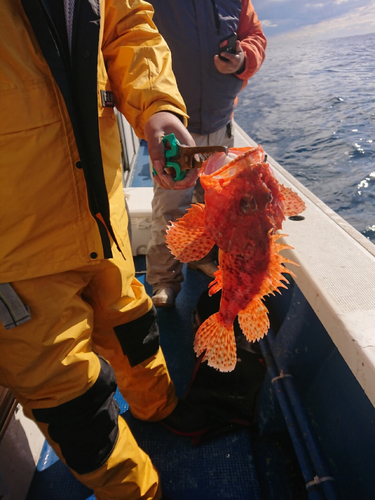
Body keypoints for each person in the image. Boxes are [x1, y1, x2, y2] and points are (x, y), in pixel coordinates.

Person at [0, 1, 206, 499]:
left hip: (101, 209)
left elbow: (128, 26)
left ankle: (160, 409)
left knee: (133, 325)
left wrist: (157, 106)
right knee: (73, 405)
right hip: (13, 251)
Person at [146, 0, 267, 308]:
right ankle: (164, 280)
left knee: (218, 207)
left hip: (221, 122)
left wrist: (242, 59)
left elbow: (255, 36)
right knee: (171, 207)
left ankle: (203, 259)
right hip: (175, 128)